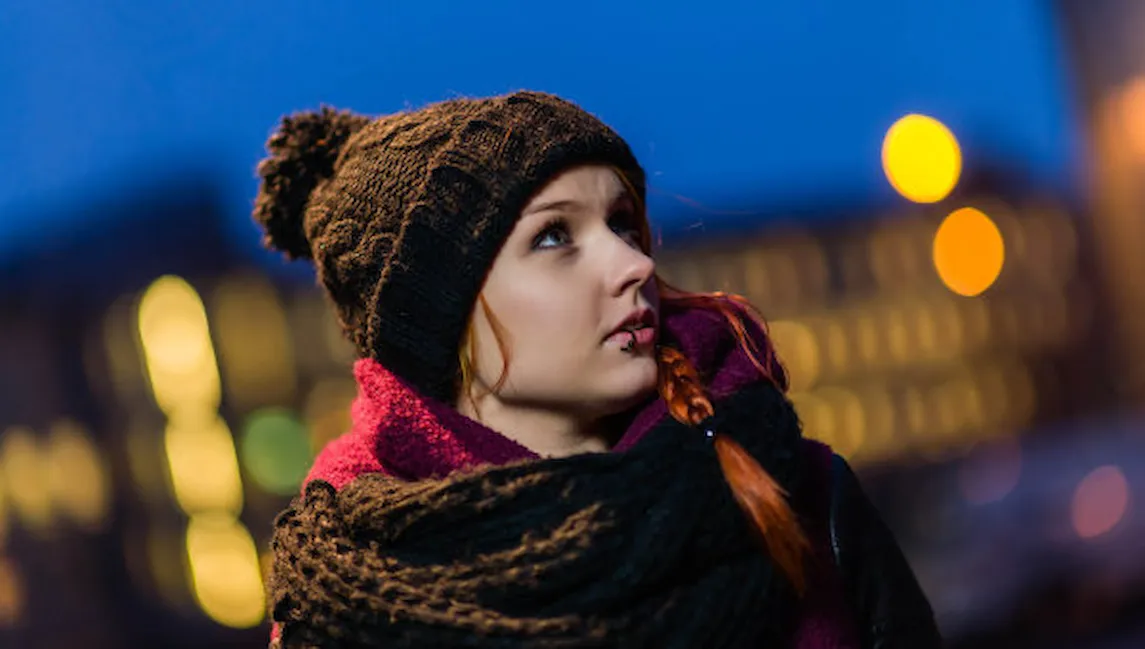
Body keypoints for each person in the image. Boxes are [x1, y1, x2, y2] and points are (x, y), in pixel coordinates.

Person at [254, 90, 941, 648]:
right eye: (554, 236)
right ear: (439, 316)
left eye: (622, 224)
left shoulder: (795, 489)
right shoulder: (346, 601)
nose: (634, 264)